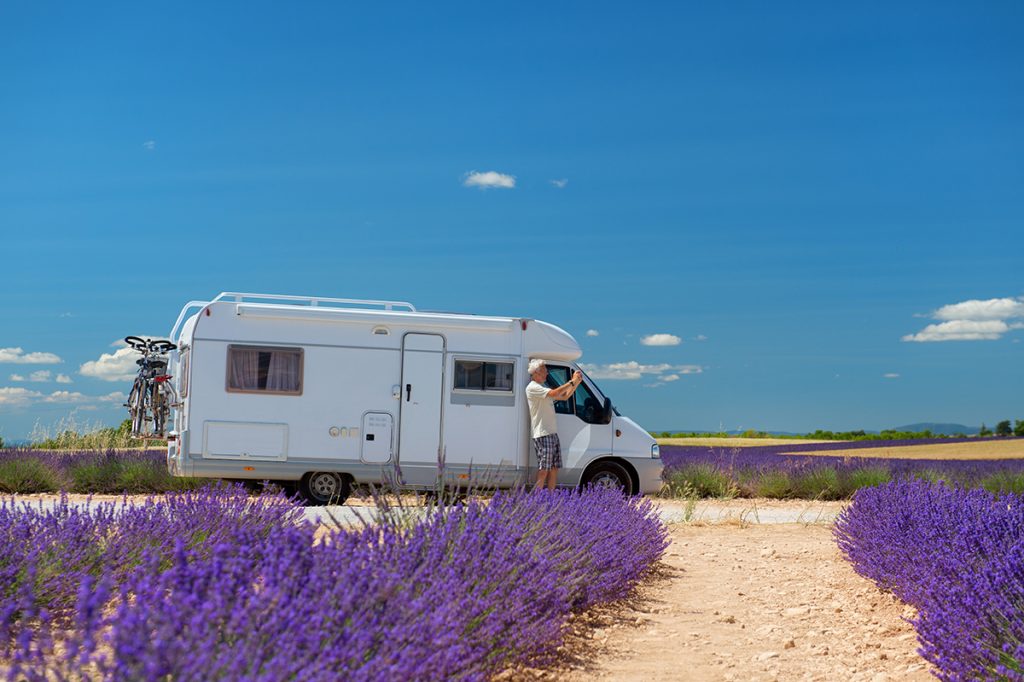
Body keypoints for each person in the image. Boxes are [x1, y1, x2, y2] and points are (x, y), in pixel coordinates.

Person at [525, 358, 583, 491]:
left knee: (554, 468)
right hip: (543, 434)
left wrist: (577, 383)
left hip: (550, 433)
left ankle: (550, 498)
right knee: (544, 469)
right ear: (537, 372)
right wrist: (572, 381)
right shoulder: (533, 388)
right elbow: (555, 393)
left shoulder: (541, 388)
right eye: (545, 371)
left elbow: (564, 396)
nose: (547, 374)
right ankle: (537, 499)